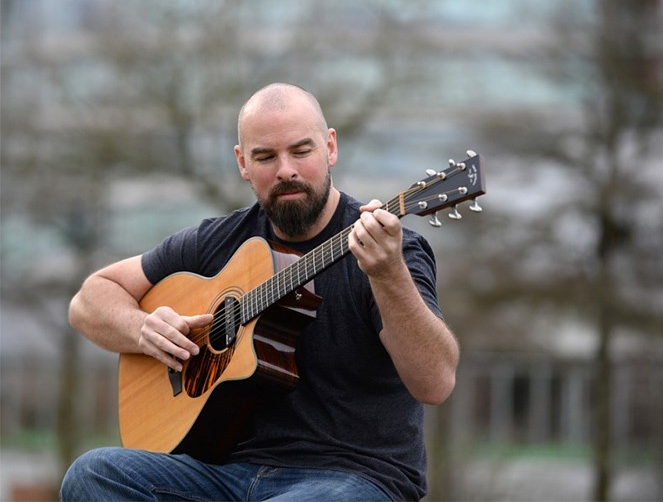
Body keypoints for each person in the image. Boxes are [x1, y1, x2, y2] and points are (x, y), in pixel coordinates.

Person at [60, 83, 459, 502]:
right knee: (92, 474)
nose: (285, 170)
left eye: (301, 151)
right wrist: (143, 328)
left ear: (330, 148)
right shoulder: (214, 242)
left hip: (351, 478)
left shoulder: (394, 252)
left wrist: (388, 274)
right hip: (224, 476)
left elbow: (435, 384)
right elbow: (90, 299)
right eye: (266, 156)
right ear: (242, 163)